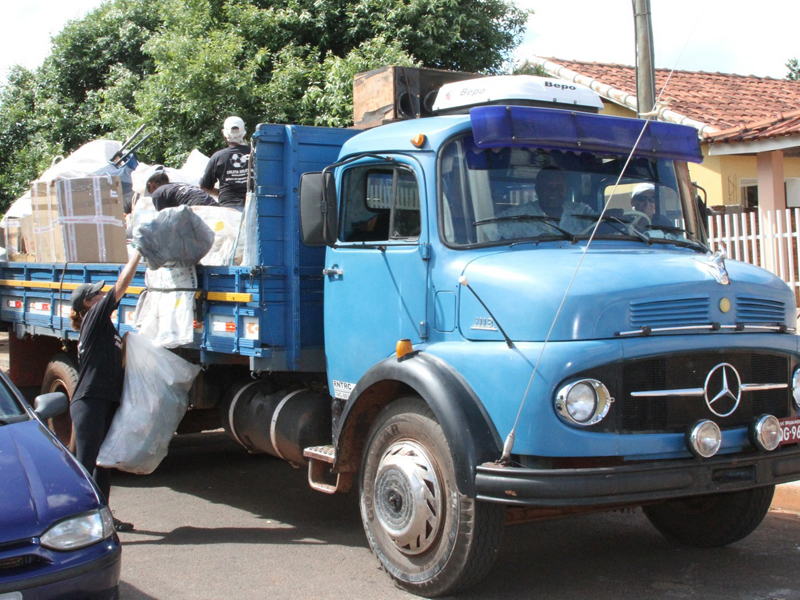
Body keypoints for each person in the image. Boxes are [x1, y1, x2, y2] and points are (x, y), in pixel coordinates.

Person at [69, 250, 141, 532]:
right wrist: (137, 253)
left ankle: (104, 518)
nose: (102, 296)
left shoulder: (104, 329)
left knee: (104, 463)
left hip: (105, 399)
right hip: (89, 401)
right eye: (97, 295)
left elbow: (117, 361)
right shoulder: (94, 318)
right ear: (88, 303)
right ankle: (76, 523)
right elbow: (120, 287)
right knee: (86, 465)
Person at [492, 167, 593, 240]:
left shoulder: (580, 210)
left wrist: (607, 217)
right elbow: (487, 231)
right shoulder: (519, 215)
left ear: (566, 189)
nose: (553, 191)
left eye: (559, 187)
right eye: (547, 187)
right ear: (537, 190)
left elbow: (601, 225)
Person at [199, 116, 251, 210]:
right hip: (253, 207)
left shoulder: (218, 157)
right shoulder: (256, 154)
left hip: (227, 208)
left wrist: (221, 192)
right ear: (244, 135)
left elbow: (204, 187)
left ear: (224, 135)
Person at [146, 168, 218, 211]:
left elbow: (164, 219)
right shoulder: (179, 185)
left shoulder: (158, 193)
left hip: (199, 209)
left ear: (151, 185)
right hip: (215, 206)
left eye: (150, 192)